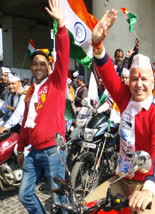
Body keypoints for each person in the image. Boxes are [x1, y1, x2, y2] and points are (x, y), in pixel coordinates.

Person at [85, 9, 155, 214]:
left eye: (144, 79)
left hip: (150, 182)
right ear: (129, 82)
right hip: (121, 179)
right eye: (134, 79)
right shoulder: (125, 99)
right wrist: (97, 45)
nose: (139, 84)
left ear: (153, 83)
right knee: (86, 208)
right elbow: (107, 74)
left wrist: (149, 189)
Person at [17, 1, 70, 213]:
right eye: (35, 63)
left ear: (49, 67)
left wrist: (61, 24)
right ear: (31, 67)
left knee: (59, 197)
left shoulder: (56, 83)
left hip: (53, 151)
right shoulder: (30, 90)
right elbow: (25, 121)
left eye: (42, 64)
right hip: (33, 152)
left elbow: (64, 56)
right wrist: (20, 148)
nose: (38, 67)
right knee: (24, 194)